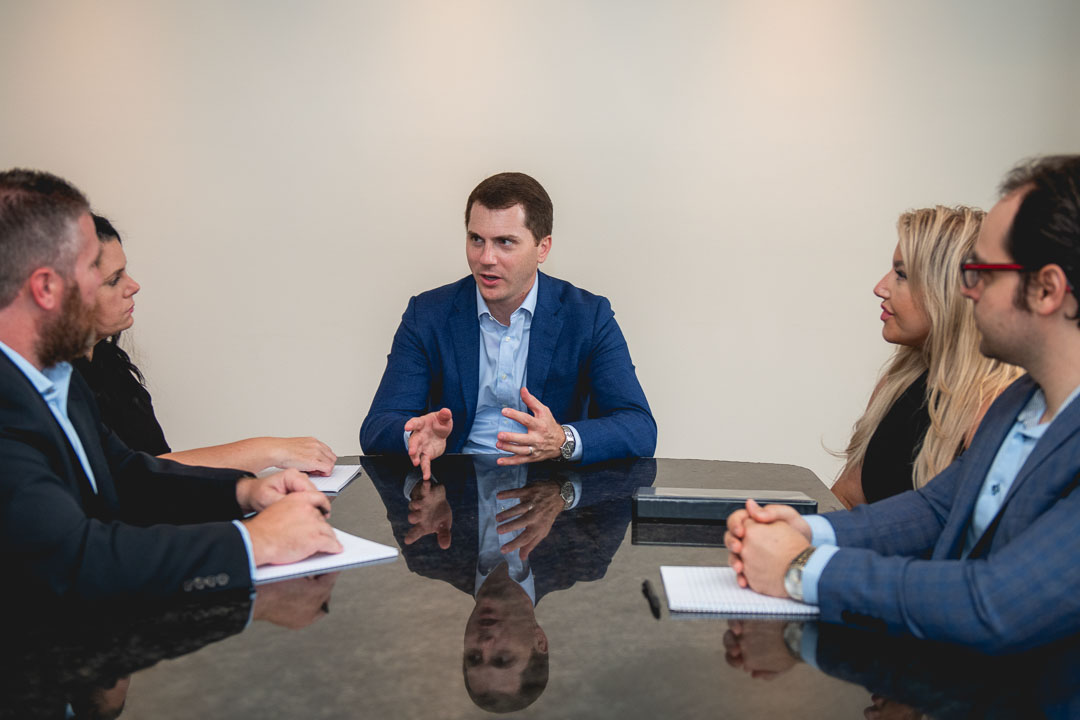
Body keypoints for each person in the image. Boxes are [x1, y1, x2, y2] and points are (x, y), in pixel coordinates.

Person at [725, 155, 1080, 654]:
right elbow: (936, 509)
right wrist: (809, 529)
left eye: (980, 272)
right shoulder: (1021, 404)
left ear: (1046, 289)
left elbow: (993, 602)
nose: (964, 288)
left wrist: (801, 567)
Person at [0, 168, 342, 599]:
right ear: (46, 287)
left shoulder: (56, 374)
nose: (118, 284)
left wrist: (245, 491)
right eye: (94, 267)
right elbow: (74, 557)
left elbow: (124, 474)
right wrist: (255, 542)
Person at [360, 172, 657, 478]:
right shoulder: (428, 314)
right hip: (454, 499)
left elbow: (639, 427)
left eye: (505, 242)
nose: (486, 258)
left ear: (542, 248)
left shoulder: (588, 317)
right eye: (477, 240)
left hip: (553, 496)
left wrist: (562, 440)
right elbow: (378, 426)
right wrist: (414, 435)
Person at [74, 214, 336, 474]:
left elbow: (153, 468)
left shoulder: (111, 366)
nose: (133, 286)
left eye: (126, 272)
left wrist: (252, 488)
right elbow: (131, 476)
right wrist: (267, 450)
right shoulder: (58, 388)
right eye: (113, 280)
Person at [831, 206, 1021, 507]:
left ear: (947, 290)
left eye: (902, 275)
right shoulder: (896, 383)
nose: (880, 288)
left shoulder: (997, 408)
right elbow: (847, 498)